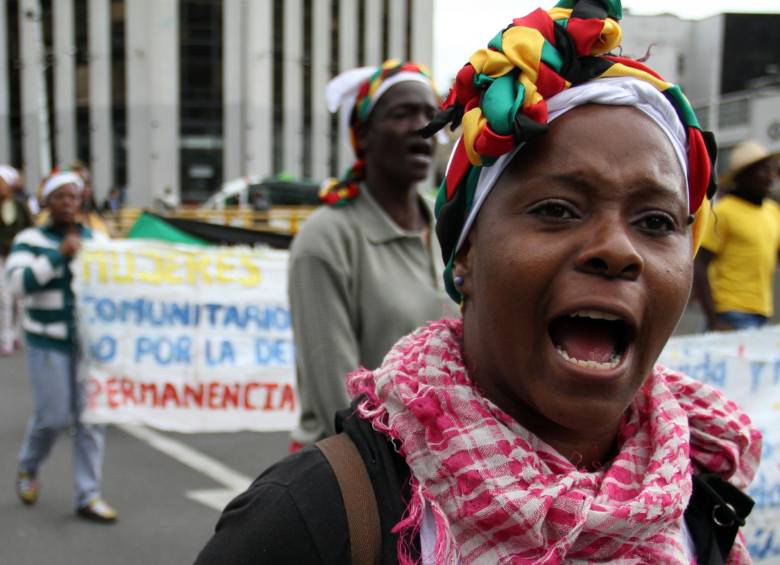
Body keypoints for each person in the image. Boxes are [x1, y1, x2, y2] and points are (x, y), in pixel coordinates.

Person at [195, 2, 761, 563]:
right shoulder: (313, 522)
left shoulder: (704, 498)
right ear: (464, 254)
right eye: (559, 210)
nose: (617, 249)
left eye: (656, 222)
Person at [287, 59, 455, 448]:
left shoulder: (451, 224)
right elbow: (341, 406)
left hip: (446, 473)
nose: (422, 127)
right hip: (359, 477)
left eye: (431, 114)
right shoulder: (326, 239)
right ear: (362, 135)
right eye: (402, 114)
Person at [4, 170, 118, 522]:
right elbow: (17, 284)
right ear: (46, 202)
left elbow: (117, 285)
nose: (68, 203)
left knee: (90, 420)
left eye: (73, 196)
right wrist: (57, 255)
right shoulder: (30, 239)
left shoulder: (97, 242)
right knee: (52, 418)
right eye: (60, 197)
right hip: (47, 344)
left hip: (87, 347)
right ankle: (28, 465)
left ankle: (88, 494)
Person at [694, 139, 780, 331]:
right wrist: (713, 319)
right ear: (743, 177)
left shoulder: (773, 211)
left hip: (763, 314)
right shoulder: (724, 212)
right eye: (763, 170)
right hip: (729, 314)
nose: (770, 177)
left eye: (772, 170)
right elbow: (699, 265)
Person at [0, 165, 34, 355]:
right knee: (5, 298)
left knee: (19, 300)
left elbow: (30, 229)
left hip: (19, 257)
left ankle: (16, 333)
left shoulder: (20, 206)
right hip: (1, 257)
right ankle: (6, 338)